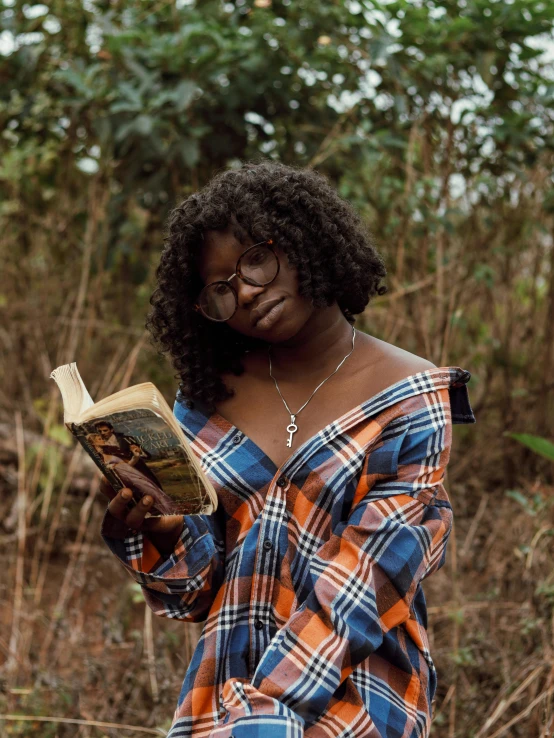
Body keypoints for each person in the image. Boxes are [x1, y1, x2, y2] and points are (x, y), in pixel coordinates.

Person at [99, 161, 475, 738]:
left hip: (361, 697)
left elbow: (363, 587)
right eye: (219, 290)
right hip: (223, 694)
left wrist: (264, 712)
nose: (246, 292)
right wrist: (163, 532)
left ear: (306, 242)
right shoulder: (204, 399)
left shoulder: (409, 400)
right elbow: (195, 593)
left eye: (255, 259)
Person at [86, 434, 176, 515]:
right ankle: (165, 513)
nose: (102, 439)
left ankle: (171, 512)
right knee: (149, 495)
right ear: (94, 443)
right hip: (128, 480)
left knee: (155, 491)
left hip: (134, 475)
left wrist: (135, 456)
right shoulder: (99, 460)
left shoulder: (110, 451)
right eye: (99, 439)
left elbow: (128, 464)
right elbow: (107, 474)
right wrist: (113, 467)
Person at [93, 419, 164, 490]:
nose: (102, 433)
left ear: (111, 430)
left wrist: (139, 451)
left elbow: (148, 455)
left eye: (105, 430)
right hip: (124, 476)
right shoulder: (100, 445)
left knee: (154, 490)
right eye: (99, 431)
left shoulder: (126, 439)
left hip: (139, 470)